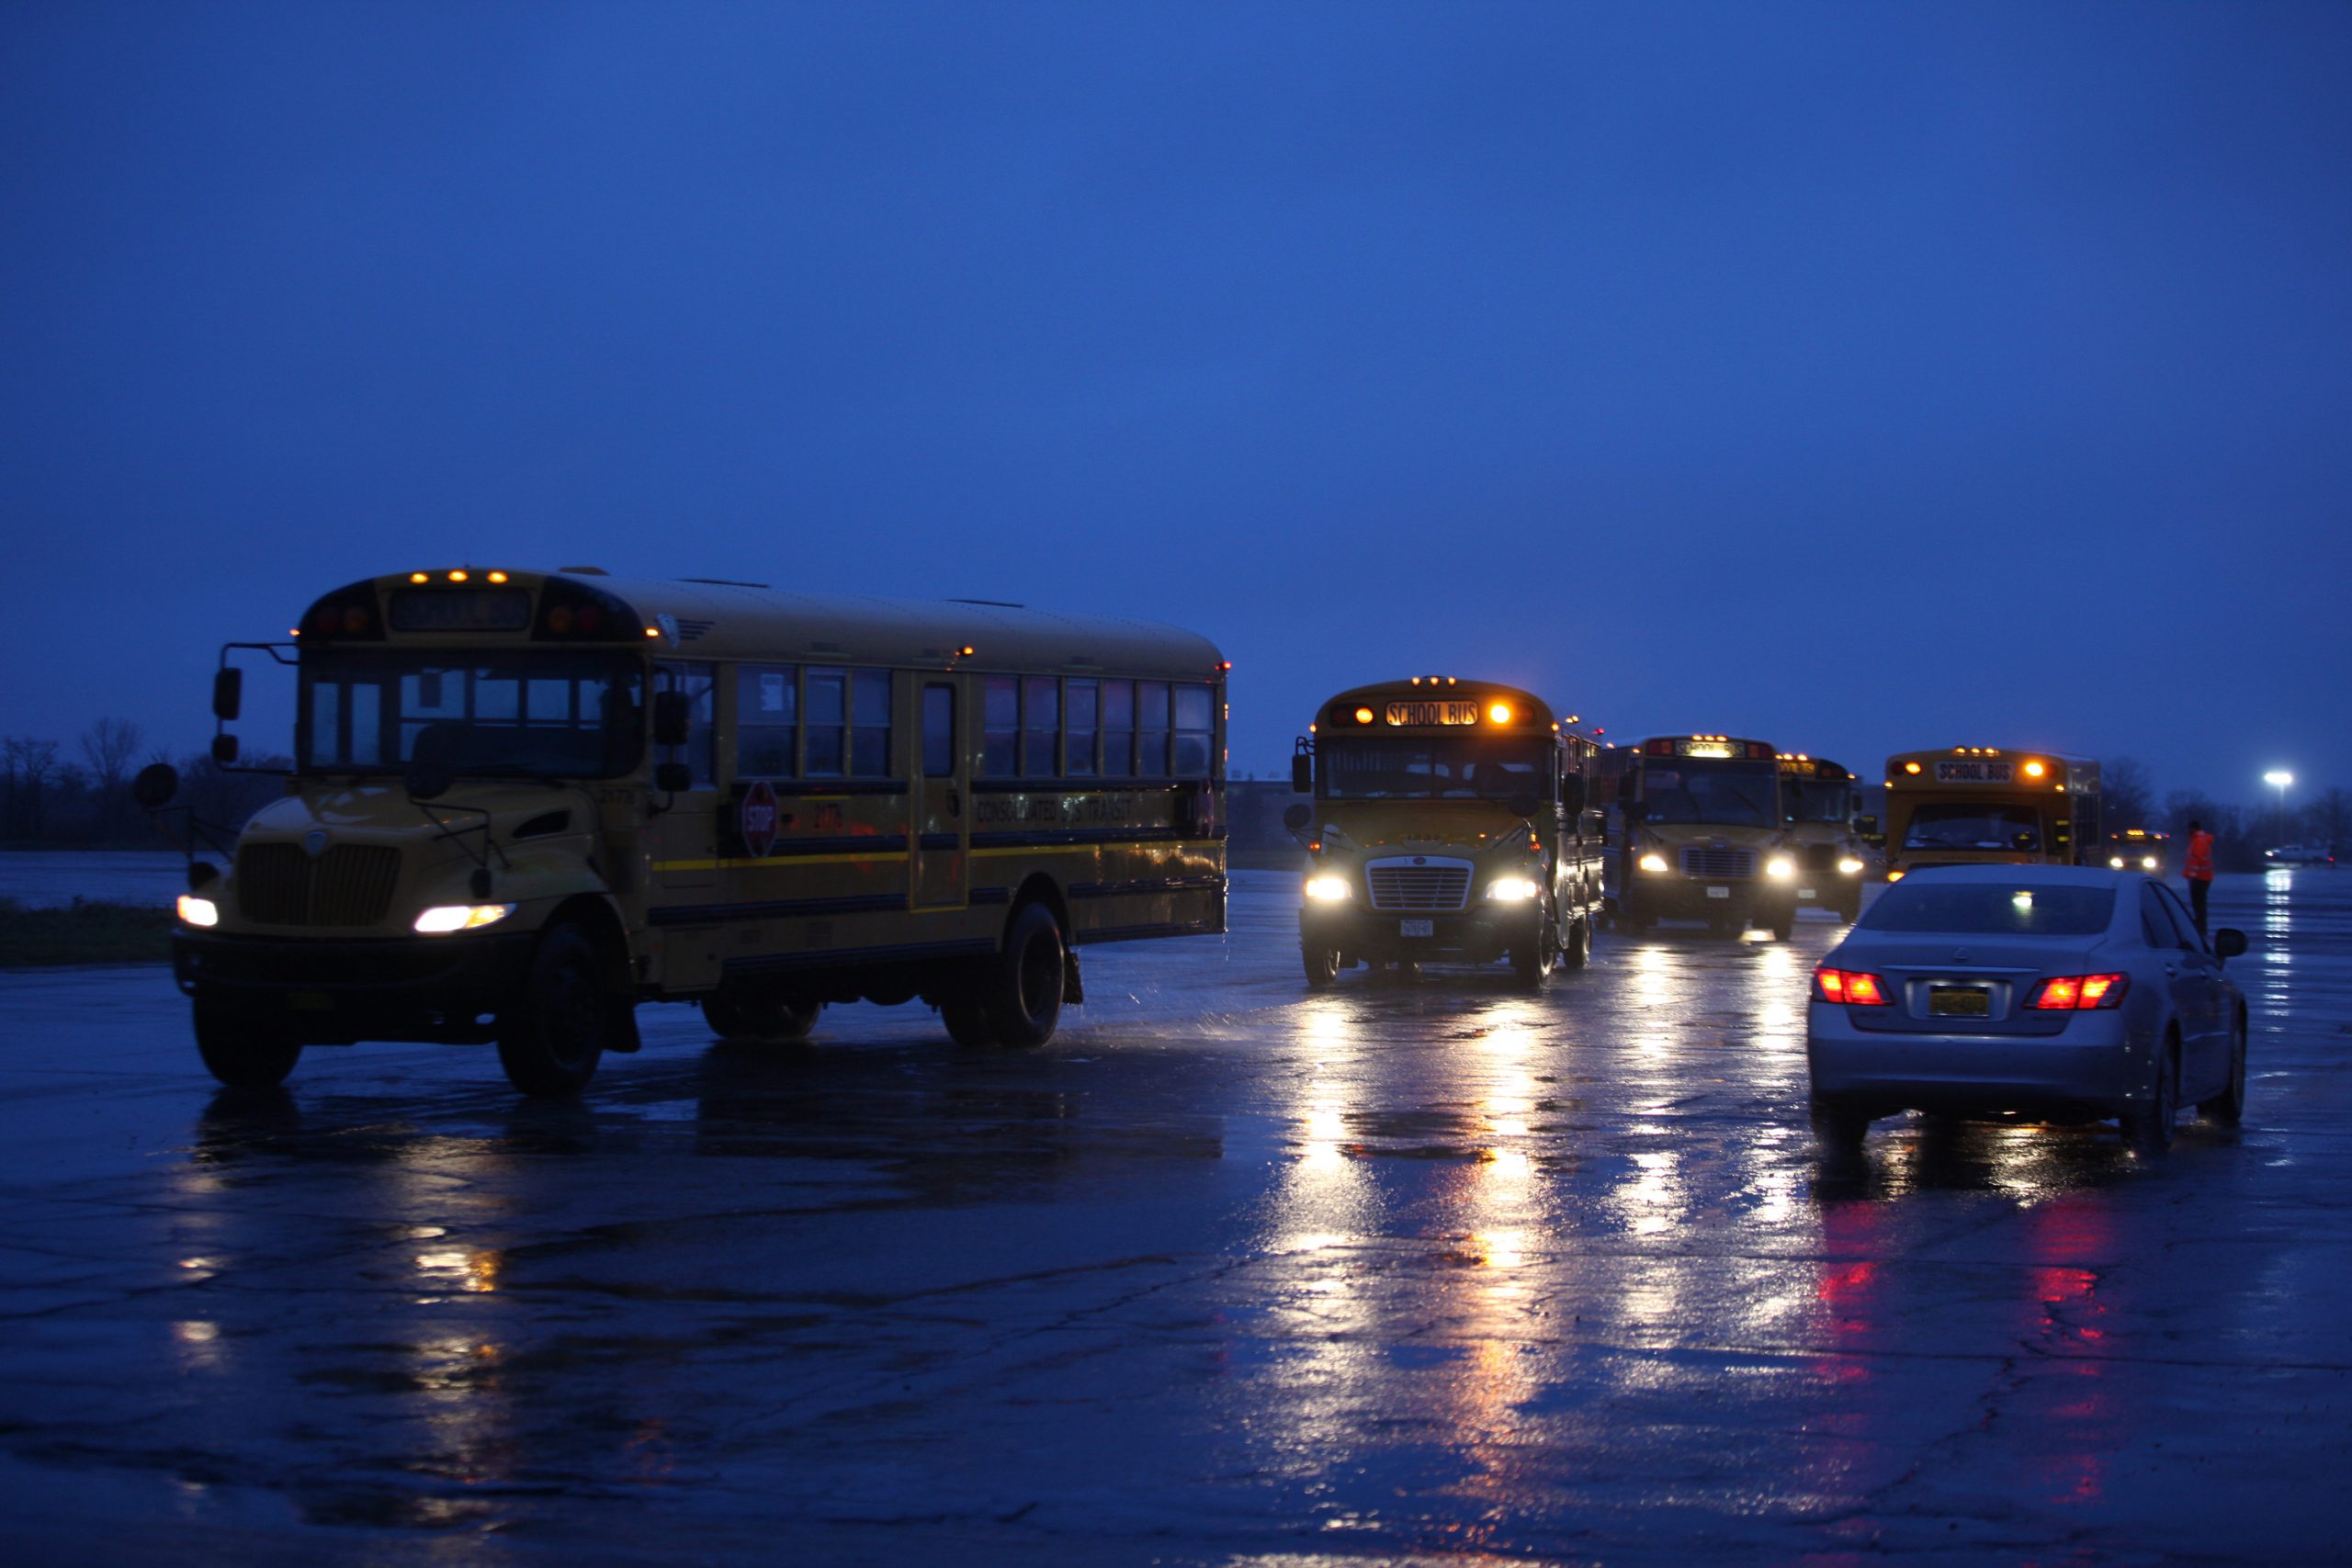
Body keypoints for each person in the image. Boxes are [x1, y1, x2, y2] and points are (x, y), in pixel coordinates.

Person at [2183, 818, 2216, 936]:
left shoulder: (2199, 841)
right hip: (2201, 877)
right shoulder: (2197, 840)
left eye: (2189, 829)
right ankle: (2200, 926)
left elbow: (2198, 859)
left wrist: (2192, 876)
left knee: (2199, 904)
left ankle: (2201, 927)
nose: (2188, 832)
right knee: (2199, 903)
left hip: (2199, 878)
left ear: (2193, 829)